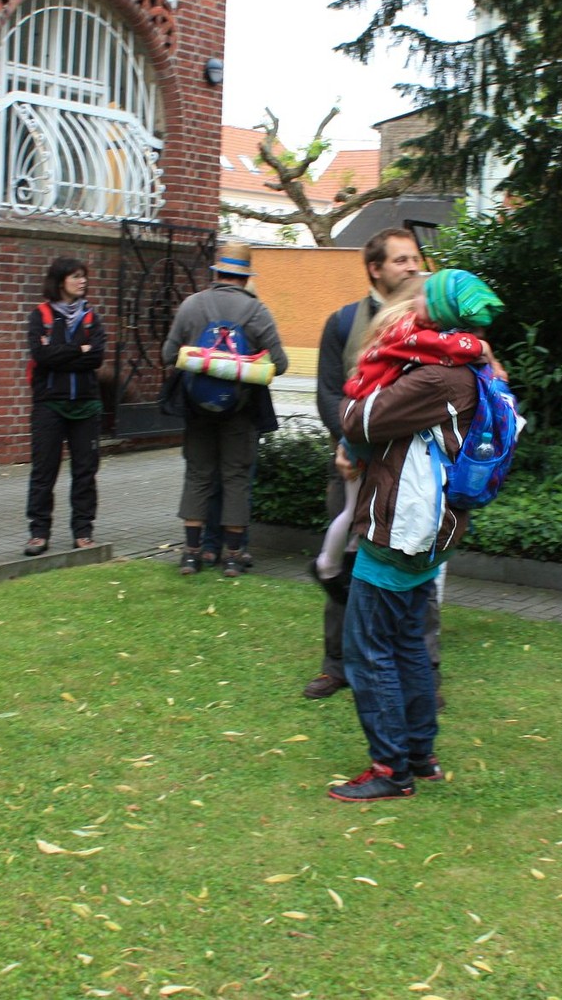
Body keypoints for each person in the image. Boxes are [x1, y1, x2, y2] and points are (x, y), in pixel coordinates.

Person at [325, 277, 503, 802]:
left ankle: (390, 768)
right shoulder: (468, 367)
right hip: (433, 529)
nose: (414, 302)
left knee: (366, 647)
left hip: (401, 528)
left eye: (427, 297)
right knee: (406, 643)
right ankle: (420, 755)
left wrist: (366, 382)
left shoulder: (437, 379)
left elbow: (359, 419)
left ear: (444, 312)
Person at [302, 227, 427, 701]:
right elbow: (329, 392)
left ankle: (422, 668)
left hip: (411, 471)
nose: (413, 267)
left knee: (416, 562)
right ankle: (337, 663)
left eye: (415, 259)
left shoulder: (433, 318)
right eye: (400, 261)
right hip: (352, 463)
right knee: (347, 566)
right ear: (375, 268)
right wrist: (345, 443)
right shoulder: (341, 323)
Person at [160, 239, 288, 577]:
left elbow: (168, 355)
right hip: (241, 413)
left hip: (197, 409)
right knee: (235, 479)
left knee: (198, 475)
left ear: (217, 272)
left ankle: (191, 553)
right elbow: (282, 364)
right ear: (245, 277)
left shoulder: (191, 306)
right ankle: (232, 557)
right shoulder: (257, 311)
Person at [23, 256, 107, 555]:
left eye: (84, 276)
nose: (82, 281)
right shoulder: (40, 316)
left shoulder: (90, 316)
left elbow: (96, 357)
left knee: (85, 471)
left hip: (86, 405)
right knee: (44, 471)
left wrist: (62, 353)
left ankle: (83, 532)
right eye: (75, 277)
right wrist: (77, 350)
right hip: (49, 404)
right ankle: (38, 533)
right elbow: (41, 357)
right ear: (60, 281)